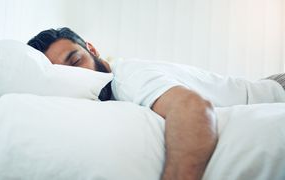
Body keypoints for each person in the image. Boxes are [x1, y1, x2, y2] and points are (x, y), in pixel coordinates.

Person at [27, 27, 285, 180]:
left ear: (92, 49)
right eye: (66, 73)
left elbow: (193, 109)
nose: (79, 76)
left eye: (75, 61)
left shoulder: (125, 77)